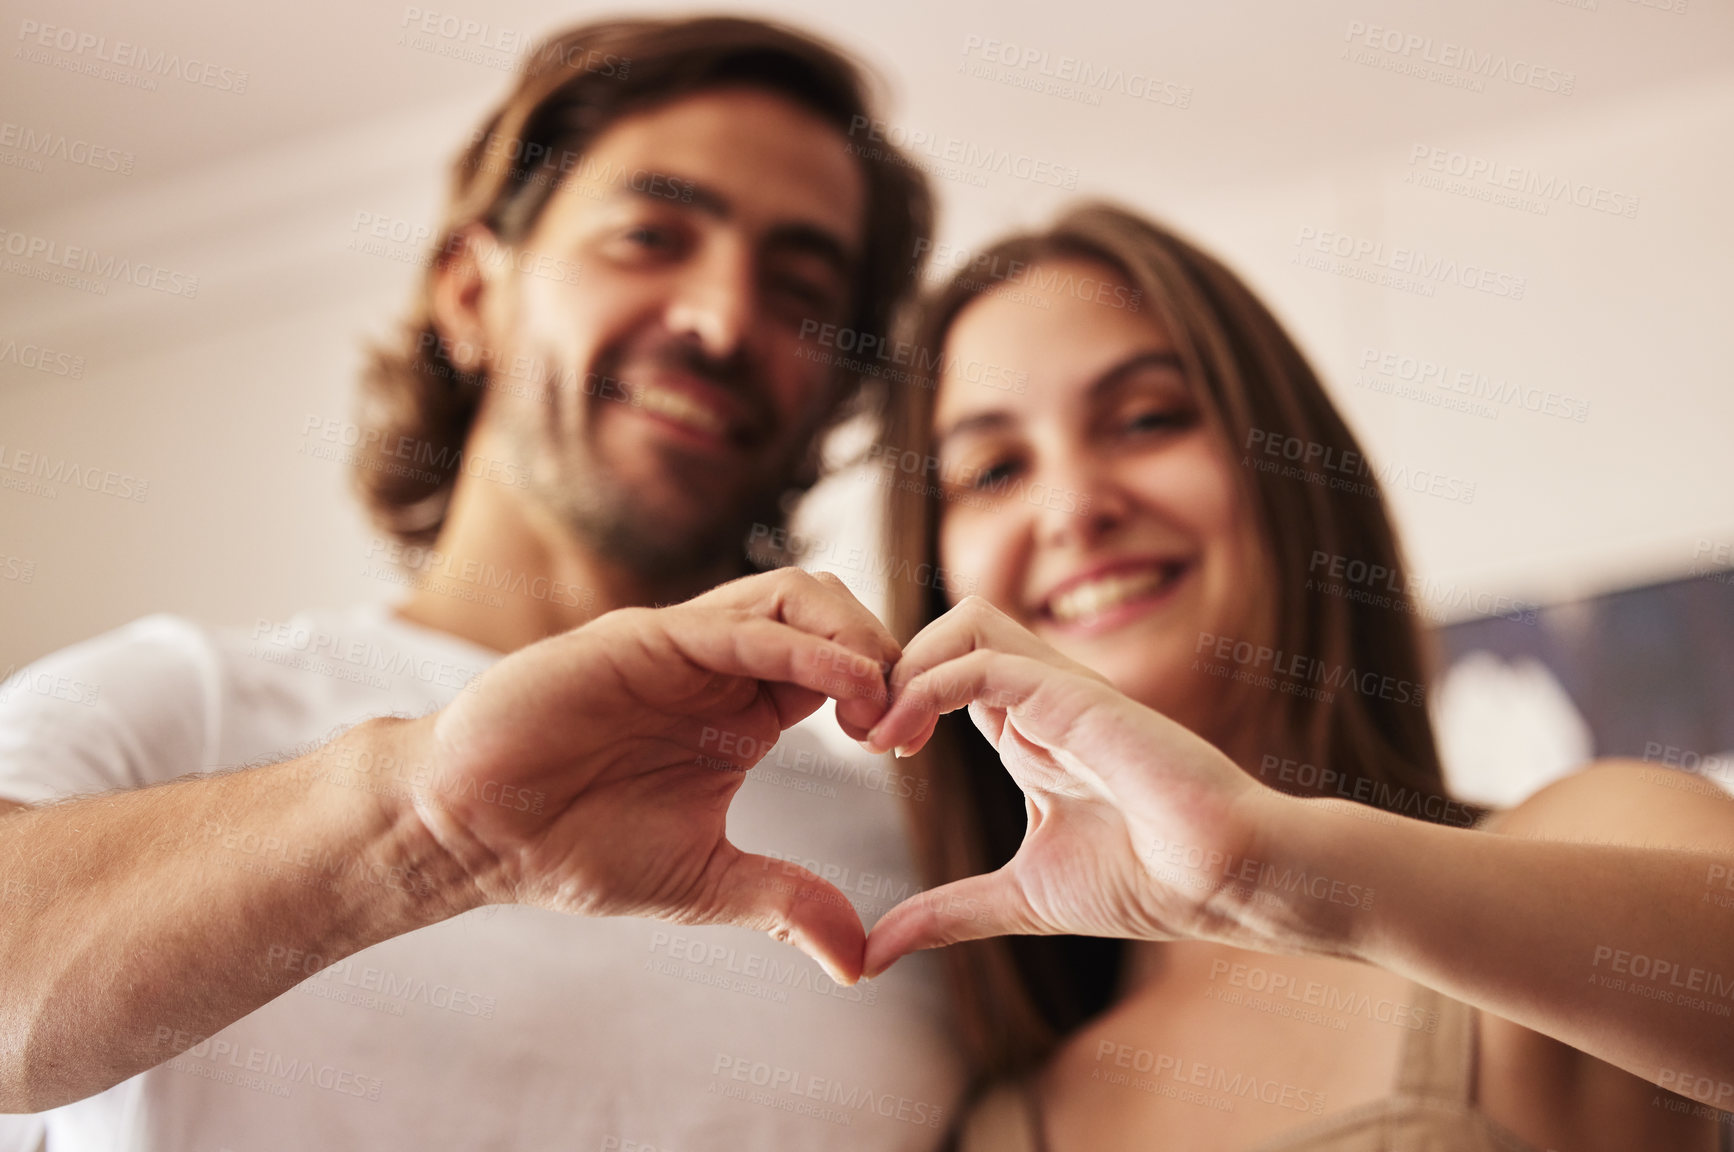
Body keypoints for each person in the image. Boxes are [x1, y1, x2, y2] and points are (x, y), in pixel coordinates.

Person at [0, 17, 969, 1150]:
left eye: (800, 285)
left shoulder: (919, 868)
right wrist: (425, 825)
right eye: (652, 235)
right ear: (470, 292)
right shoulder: (178, 704)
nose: (719, 320)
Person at [861, 203, 1734, 1150]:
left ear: (1289, 467)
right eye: (992, 470)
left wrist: (1271, 865)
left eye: (1149, 418)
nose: (1075, 507)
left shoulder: (1599, 840)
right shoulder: (986, 1117)